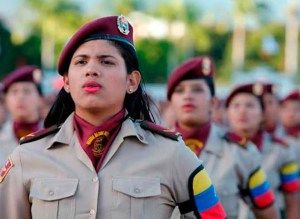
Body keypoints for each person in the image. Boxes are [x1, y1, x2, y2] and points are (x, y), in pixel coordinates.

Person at [0, 15, 226, 219]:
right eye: (81, 62)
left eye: (107, 61)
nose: (91, 70)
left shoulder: (173, 154)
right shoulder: (27, 157)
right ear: (67, 82)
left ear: (132, 81)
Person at [167, 56, 278, 219]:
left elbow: (268, 213)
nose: (188, 95)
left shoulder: (242, 153)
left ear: (213, 102)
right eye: (179, 90)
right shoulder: (153, 148)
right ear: (171, 102)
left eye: (197, 89)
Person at [225, 83, 300, 219]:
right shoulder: (215, 149)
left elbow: (293, 200)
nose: (243, 111)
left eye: (250, 106)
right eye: (236, 106)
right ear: (227, 112)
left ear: (262, 114)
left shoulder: (282, 150)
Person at [0, 65, 43, 166]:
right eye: (14, 92)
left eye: (27, 91)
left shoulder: (55, 137)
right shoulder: (2, 138)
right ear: (6, 101)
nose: (20, 97)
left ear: (40, 99)